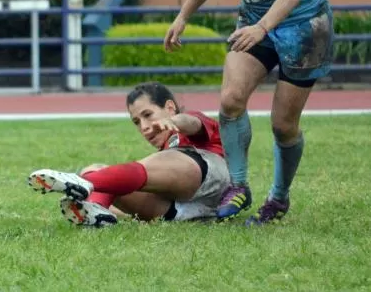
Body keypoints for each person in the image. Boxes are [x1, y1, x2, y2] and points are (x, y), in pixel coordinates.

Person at [164, 0, 334, 225]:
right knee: (230, 100)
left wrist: (262, 28)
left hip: (305, 24)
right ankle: (238, 187)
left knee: (283, 125)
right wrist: (182, 17)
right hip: (256, 19)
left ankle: (279, 198)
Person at [27, 82, 230, 227]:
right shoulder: (166, 154)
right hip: (181, 213)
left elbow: (192, 123)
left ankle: (83, 182)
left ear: (170, 107)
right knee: (98, 170)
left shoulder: (191, 125)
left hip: (214, 182)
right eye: (136, 122)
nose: (144, 127)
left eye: (147, 115)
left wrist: (176, 121)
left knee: (120, 174)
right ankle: (96, 212)